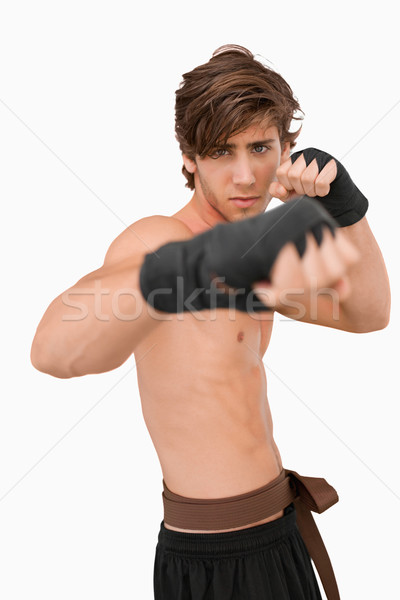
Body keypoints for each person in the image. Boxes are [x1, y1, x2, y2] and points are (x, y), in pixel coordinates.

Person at [30, 45, 391, 599]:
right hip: (213, 558)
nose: (245, 175)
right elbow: (53, 351)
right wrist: (193, 266)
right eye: (222, 151)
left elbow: (367, 313)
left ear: (286, 150)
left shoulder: (257, 253)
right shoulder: (160, 240)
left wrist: (348, 210)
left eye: (260, 148)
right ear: (190, 157)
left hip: (281, 534)